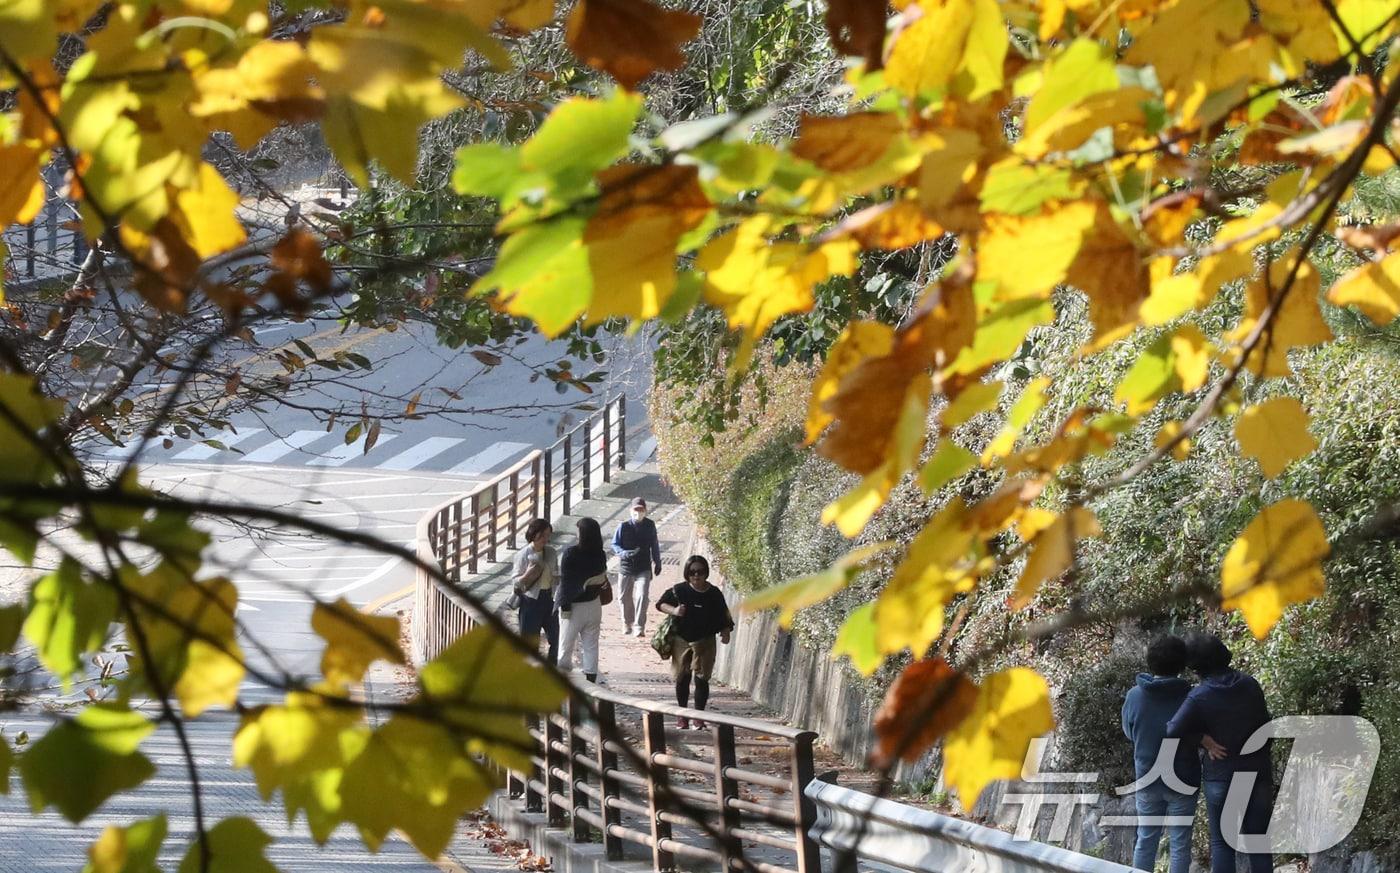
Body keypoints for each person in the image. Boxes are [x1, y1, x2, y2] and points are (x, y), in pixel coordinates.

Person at [1166, 632, 1274, 873]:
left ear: (1194, 666)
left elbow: (1172, 730)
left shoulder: (1199, 696)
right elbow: (1266, 727)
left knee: (1223, 845)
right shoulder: (1249, 684)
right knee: (1259, 843)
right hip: (1257, 773)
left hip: (1223, 776)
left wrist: (1202, 739)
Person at [1122, 635, 1200, 873]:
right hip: (1184, 778)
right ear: (1182, 664)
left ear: (1150, 662)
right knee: (1180, 844)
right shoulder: (1192, 697)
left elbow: (1129, 732)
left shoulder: (1135, 696)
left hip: (1148, 778)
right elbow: (1199, 734)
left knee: (1146, 839)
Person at [656, 555, 733, 730]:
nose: (696, 576)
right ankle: (682, 716)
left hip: (705, 641)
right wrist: (674, 610)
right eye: (692, 572)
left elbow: (724, 615)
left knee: (701, 680)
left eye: (700, 572)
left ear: (706, 573)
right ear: (687, 574)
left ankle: (698, 717)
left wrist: (725, 631)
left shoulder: (714, 593)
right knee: (682, 678)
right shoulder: (679, 590)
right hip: (681, 640)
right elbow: (661, 604)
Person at [556, 517, 610, 683]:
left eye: (578, 531)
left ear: (583, 534)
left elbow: (566, 582)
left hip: (573, 607)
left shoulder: (571, 553)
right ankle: (590, 681)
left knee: (566, 646)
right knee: (591, 645)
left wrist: (564, 606)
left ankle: (563, 681)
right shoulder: (600, 555)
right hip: (594, 605)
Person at [612, 496, 662, 637]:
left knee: (642, 595)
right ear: (631, 510)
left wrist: (658, 562)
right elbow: (614, 544)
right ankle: (627, 622)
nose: (638, 512)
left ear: (645, 511)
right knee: (623, 597)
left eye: (641, 509)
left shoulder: (650, 525)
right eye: (636, 509)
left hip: (643, 566)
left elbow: (654, 545)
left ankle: (639, 626)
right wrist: (623, 553)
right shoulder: (623, 526)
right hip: (626, 566)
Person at [511, 518, 559, 664]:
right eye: (543, 535)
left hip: (549, 598)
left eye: (548, 535)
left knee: (557, 637)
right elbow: (515, 582)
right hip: (530, 600)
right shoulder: (523, 554)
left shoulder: (551, 552)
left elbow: (555, 573)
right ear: (534, 534)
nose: (546, 539)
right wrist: (528, 574)